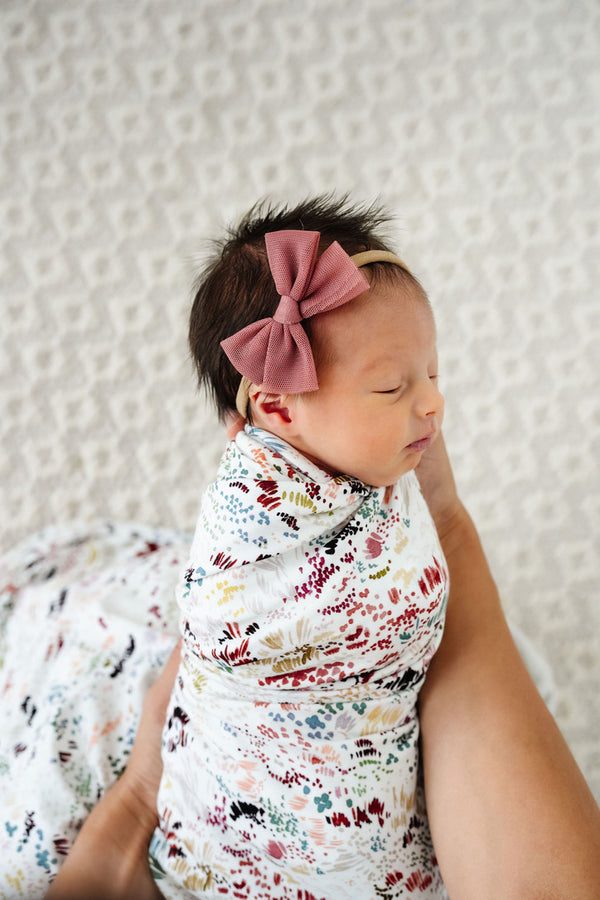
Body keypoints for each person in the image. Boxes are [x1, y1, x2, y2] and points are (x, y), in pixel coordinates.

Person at [46, 198, 600, 899]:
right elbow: (230, 615)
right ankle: (140, 800)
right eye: (394, 386)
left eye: (432, 372)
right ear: (277, 410)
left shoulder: (379, 478)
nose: (433, 404)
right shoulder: (249, 517)